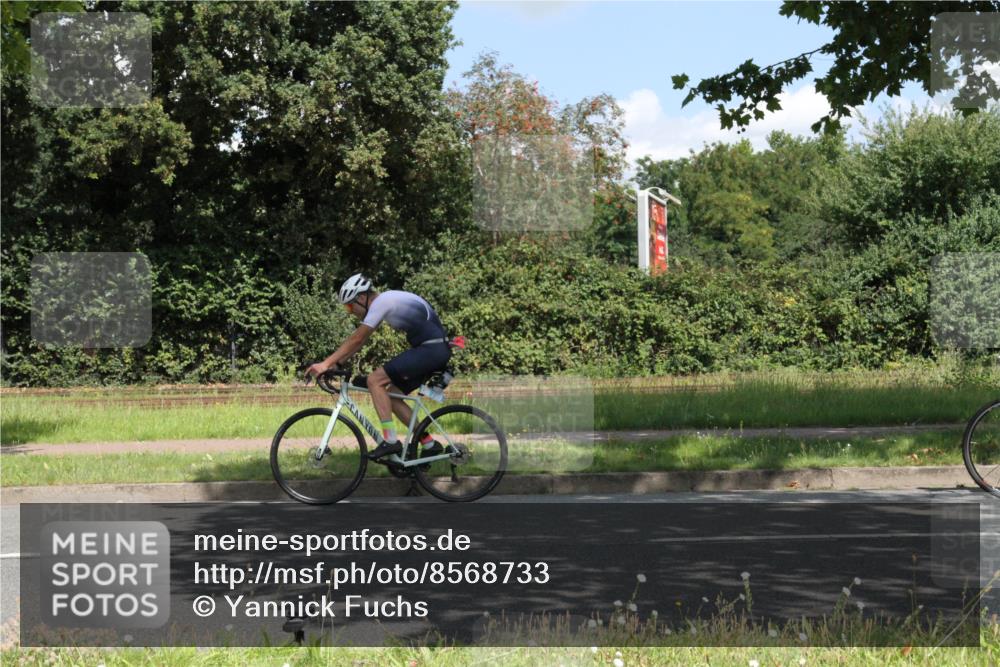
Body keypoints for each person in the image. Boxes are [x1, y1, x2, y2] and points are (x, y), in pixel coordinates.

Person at [304, 273, 451, 460]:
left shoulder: (383, 302)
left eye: (350, 306)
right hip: (433, 349)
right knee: (392, 396)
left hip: (430, 349)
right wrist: (337, 363)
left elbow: (357, 337)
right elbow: (360, 340)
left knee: (375, 380)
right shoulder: (387, 302)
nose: (351, 312)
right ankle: (429, 444)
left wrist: (325, 364)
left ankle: (390, 441)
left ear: (362, 297)